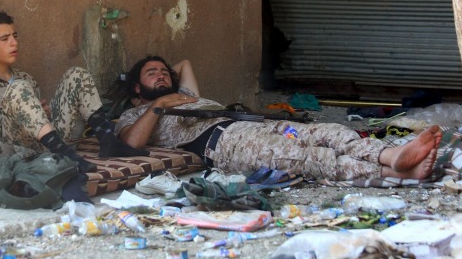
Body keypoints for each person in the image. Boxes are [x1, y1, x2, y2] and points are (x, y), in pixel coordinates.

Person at [115, 55, 442, 181]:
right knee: (300, 157)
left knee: (325, 132)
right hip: (223, 142)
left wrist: (169, 86)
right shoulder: (134, 113)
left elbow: (186, 62)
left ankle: (390, 155)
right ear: (135, 89)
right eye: (151, 73)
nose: (161, 76)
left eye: (163, 72)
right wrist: (156, 104)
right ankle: (392, 170)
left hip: (251, 122)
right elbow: (132, 143)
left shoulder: (184, 94)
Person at [0, 11, 148, 173]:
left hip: (47, 145)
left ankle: (108, 140)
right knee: (18, 87)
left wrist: (43, 113)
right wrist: (19, 118)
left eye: (15, 36)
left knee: (77, 74)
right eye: (5, 39)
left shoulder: (25, 77)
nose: (14, 43)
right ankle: (65, 155)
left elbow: (40, 121)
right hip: (14, 151)